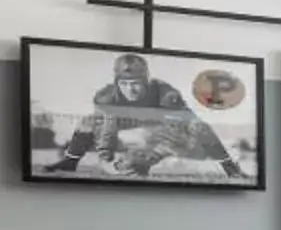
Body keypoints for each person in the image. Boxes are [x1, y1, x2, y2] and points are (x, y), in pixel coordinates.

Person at [44, 51, 251, 180]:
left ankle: (230, 168)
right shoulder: (106, 96)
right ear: (117, 82)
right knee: (90, 120)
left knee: (200, 126)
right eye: (124, 84)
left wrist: (148, 158)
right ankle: (70, 162)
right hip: (124, 120)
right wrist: (106, 161)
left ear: (146, 81)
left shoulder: (164, 93)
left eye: (136, 84)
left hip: (161, 122)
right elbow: (105, 130)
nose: (130, 90)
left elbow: (178, 131)